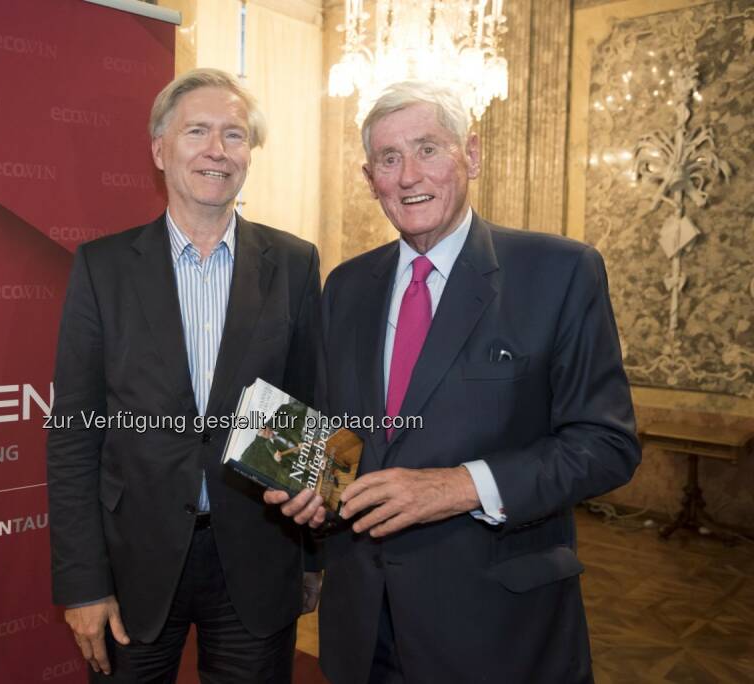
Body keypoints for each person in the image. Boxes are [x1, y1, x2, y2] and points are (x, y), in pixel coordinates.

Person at [267, 80, 641, 683]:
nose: (409, 175)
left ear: (471, 156)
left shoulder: (560, 271)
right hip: (363, 627)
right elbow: (341, 433)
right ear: (371, 180)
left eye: (428, 149)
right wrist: (311, 486)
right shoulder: (346, 285)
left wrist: (462, 486)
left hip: (497, 629)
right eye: (389, 159)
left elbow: (606, 444)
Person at [47, 68, 322, 683]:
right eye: (197, 130)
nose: (216, 150)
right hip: (132, 564)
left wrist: (310, 558)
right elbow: (73, 435)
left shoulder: (295, 264)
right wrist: (84, 583)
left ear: (249, 154)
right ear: (159, 149)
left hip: (258, 556)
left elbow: (304, 407)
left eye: (234, 134)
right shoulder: (104, 267)